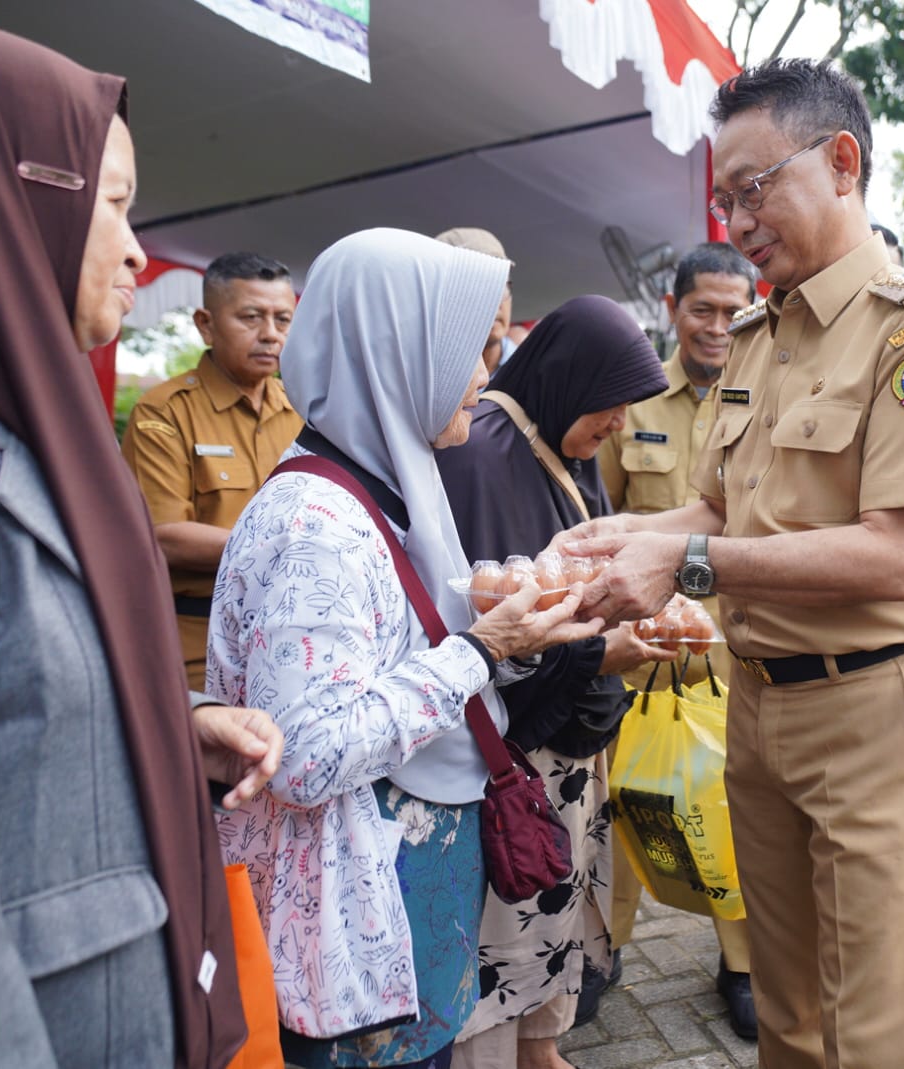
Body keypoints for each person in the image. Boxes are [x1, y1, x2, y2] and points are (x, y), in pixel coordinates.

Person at [553, 58, 904, 1069]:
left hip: (873, 707)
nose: (739, 219)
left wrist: (687, 567)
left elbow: (895, 555)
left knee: (878, 1014)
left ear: (842, 162)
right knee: (786, 1003)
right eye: (723, 198)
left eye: (756, 187)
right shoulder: (758, 333)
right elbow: (719, 503)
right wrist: (625, 538)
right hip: (756, 700)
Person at [0, 21, 283, 1067]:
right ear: (5, 198)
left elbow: (3, 698)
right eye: (115, 204)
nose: (139, 252)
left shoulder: (32, 434)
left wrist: (174, 719)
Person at [208, 229, 603, 1068]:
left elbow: (408, 658)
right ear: (399, 354)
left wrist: (510, 640)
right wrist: (483, 648)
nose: (484, 378)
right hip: (344, 932)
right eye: (469, 350)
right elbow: (305, 755)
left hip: (393, 901)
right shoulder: (313, 523)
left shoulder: (383, 487)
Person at [436, 295, 670, 1069]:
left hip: (570, 739)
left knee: (555, 899)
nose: (617, 425)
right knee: (510, 911)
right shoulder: (485, 452)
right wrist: (600, 653)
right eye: (608, 406)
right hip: (515, 747)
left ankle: (540, 1048)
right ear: (570, 380)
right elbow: (493, 628)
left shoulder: (553, 446)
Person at [596, 242, 760, 1038]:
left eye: (735, 311)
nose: (719, 326)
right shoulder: (635, 402)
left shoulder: (761, 395)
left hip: (734, 647)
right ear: (674, 309)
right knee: (628, 792)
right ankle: (606, 944)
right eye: (704, 309)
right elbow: (608, 511)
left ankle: (741, 961)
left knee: (733, 804)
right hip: (645, 650)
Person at [122, 252, 302, 688]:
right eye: (251, 317)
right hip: (193, 645)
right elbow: (164, 536)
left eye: (283, 319)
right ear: (205, 324)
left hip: (287, 638)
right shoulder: (165, 411)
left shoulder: (301, 411)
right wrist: (290, 546)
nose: (270, 335)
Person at [435, 227, 514, 373]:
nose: (495, 301)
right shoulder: (422, 376)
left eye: (502, 284)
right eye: (478, 286)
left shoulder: (534, 371)